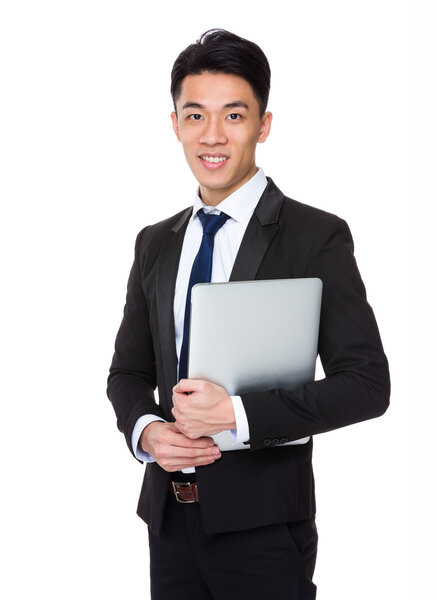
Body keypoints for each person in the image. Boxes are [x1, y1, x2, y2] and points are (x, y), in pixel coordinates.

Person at [107, 29, 390, 600]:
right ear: (175, 124)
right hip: (169, 522)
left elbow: (367, 385)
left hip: (263, 530)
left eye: (233, 115)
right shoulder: (155, 243)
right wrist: (148, 431)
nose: (212, 136)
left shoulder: (315, 236)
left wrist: (236, 415)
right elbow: (128, 374)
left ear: (262, 125)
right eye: (195, 116)